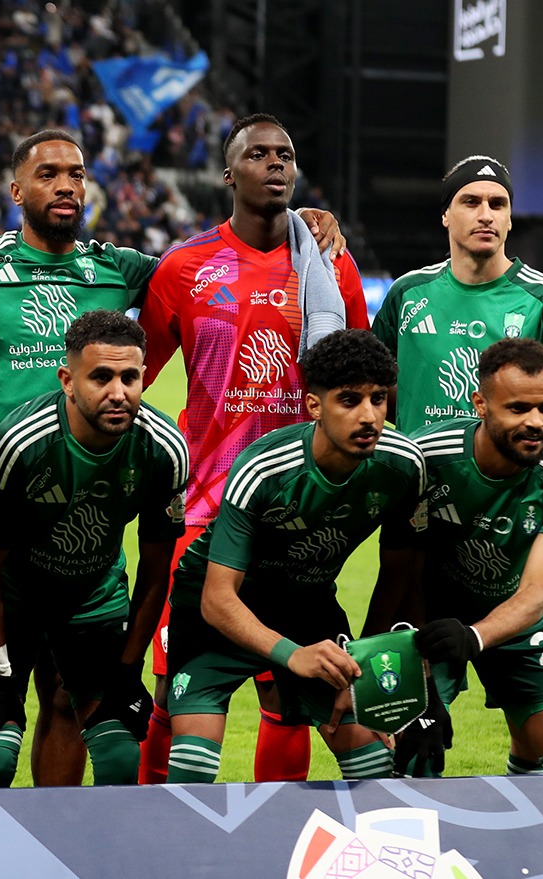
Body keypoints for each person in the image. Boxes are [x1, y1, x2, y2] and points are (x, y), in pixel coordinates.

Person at [0, 129, 344, 788]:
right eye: (48, 174)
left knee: (65, 701)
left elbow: (210, 256)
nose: (66, 186)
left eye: (76, 174)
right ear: (16, 190)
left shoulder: (121, 268)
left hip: (91, 515)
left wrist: (295, 221)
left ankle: (58, 830)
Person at [136, 113, 370, 784]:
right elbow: (132, 375)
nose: (276, 164)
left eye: (286, 155)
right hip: (205, 508)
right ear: (227, 173)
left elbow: (358, 375)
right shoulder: (184, 268)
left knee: (289, 695)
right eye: (259, 154)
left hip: (297, 515)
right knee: (172, 691)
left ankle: (277, 835)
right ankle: (145, 829)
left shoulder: (328, 266)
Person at [163, 329, 422, 783]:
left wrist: (363, 664)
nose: (368, 416)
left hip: (306, 602)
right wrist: (293, 655)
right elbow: (217, 598)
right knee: (193, 764)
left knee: (374, 759)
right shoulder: (264, 468)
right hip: (217, 609)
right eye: (349, 401)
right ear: (314, 406)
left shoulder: (403, 466)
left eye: (378, 399)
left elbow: (399, 574)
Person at [0, 310, 189, 788]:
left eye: (130, 378)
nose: (118, 392)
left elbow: (155, 571)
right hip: (12, 599)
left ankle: (69, 834)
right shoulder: (19, 444)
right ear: (67, 380)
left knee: (120, 756)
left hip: (92, 598)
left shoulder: (164, 450)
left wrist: (128, 668)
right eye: (101, 377)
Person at [372, 338, 543, 776]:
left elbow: (535, 595)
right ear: (480, 404)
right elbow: (402, 573)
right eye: (518, 409)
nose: (536, 422)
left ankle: (526, 808)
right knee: (412, 754)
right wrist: (421, 682)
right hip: (429, 617)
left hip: (518, 617)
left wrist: (474, 637)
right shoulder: (425, 460)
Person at [373, 155, 543, 467]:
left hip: (506, 487)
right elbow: (370, 385)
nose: (486, 215)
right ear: (445, 215)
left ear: (509, 219)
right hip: (418, 483)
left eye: (497, 204)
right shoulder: (407, 292)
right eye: (471, 202)